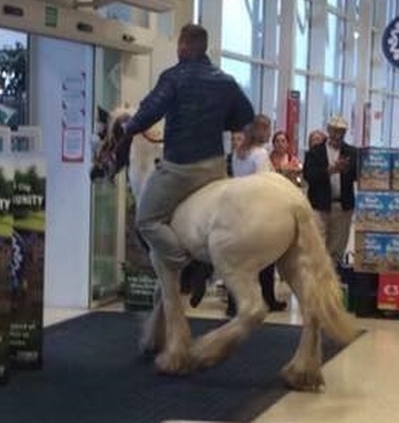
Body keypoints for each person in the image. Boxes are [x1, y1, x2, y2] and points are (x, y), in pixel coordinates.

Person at [114, 23, 254, 308]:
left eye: (180, 44)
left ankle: (185, 263)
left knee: (146, 219)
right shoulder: (225, 80)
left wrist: (129, 126)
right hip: (215, 167)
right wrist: (219, 123)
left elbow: (149, 111)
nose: (178, 49)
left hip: (181, 168)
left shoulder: (174, 77)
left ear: (185, 46)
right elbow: (246, 115)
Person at [227, 115, 286, 314]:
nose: (270, 134)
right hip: (257, 209)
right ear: (260, 131)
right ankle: (268, 299)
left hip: (237, 209)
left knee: (238, 260)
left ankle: (233, 303)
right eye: (268, 129)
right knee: (265, 259)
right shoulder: (260, 154)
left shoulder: (237, 153)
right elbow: (264, 182)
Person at [303, 116, 358, 265]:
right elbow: (309, 176)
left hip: (342, 207)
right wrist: (330, 170)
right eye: (334, 131)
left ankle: (333, 281)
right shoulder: (315, 152)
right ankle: (316, 282)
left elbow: (358, 176)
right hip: (319, 206)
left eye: (341, 132)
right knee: (317, 247)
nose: (338, 135)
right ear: (328, 130)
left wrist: (347, 170)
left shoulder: (352, 152)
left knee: (337, 249)